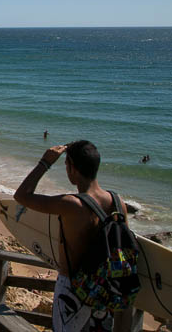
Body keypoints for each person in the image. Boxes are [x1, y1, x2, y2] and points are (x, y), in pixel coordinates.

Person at [14, 141, 128, 332]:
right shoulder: (118, 202)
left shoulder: (71, 205)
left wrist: (45, 162)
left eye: (67, 165)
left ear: (72, 168)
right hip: (105, 290)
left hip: (73, 290)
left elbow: (22, 195)